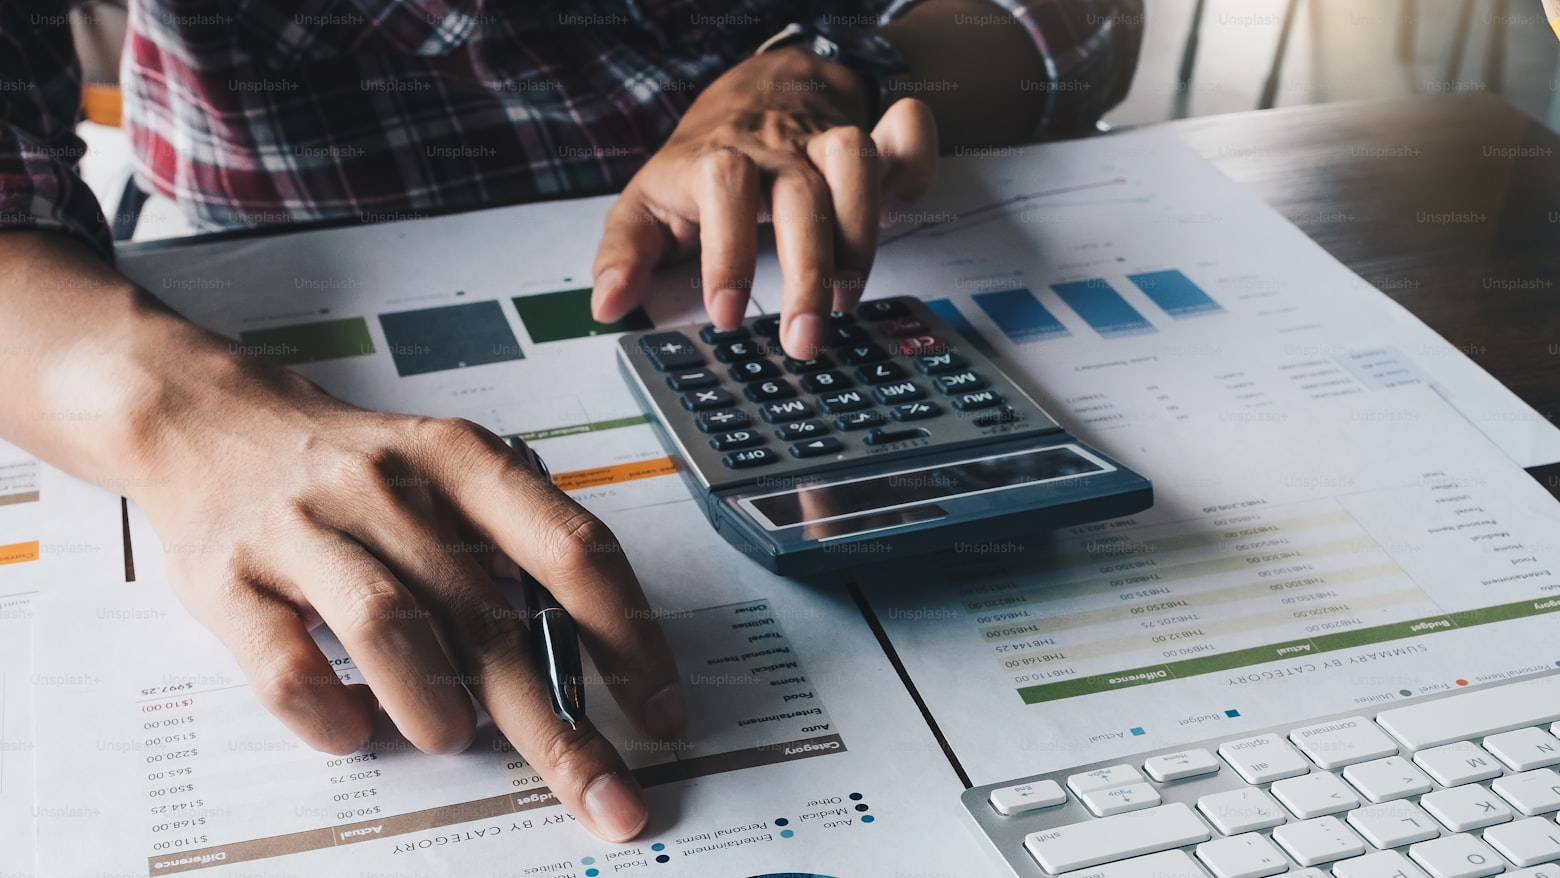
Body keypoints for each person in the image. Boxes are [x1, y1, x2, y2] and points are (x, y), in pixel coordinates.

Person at [0, 0, 1142, 842]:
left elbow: (1086, 23)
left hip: (827, 227)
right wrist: (174, 414)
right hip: (254, 263)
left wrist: (827, 63)